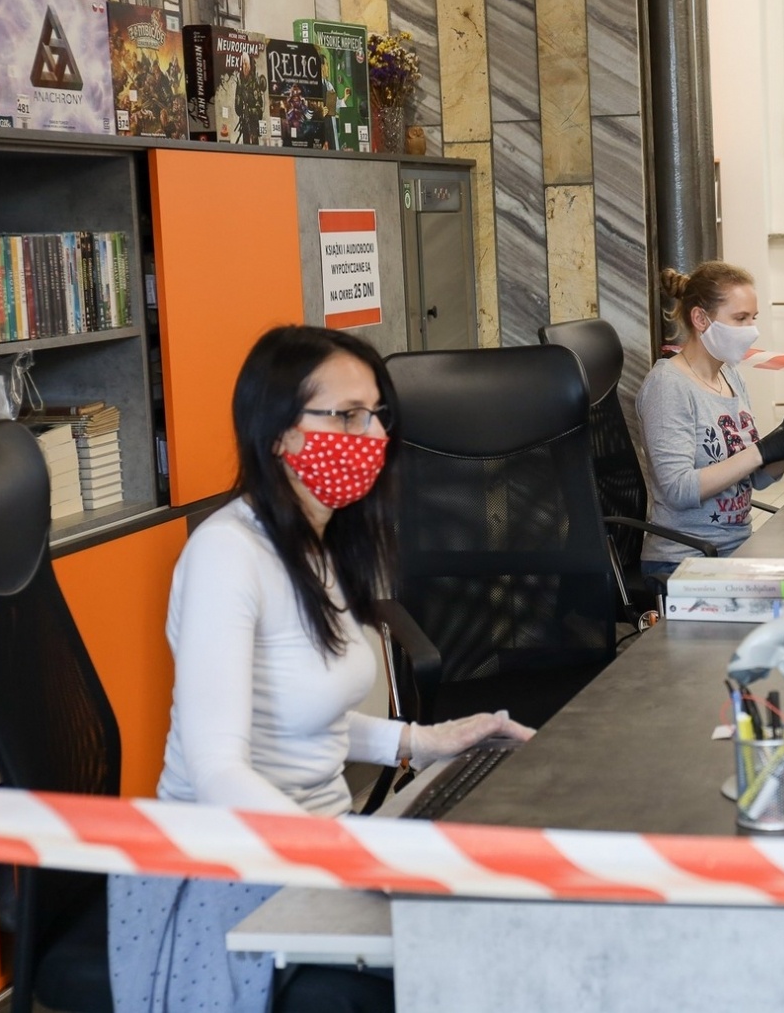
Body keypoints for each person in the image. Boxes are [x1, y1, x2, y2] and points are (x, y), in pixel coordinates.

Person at [108, 325, 533, 1013]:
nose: (369, 434)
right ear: (277, 432)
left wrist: (422, 741)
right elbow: (219, 769)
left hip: (317, 843)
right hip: (231, 866)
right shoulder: (226, 556)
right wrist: (344, 855)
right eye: (345, 416)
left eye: (376, 415)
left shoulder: (322, 541)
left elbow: (300, 713)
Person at [635, 262, 784, 576]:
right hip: (684, 561)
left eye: (753, 318)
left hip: (736, 549)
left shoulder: (730, 377)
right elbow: (679, 490)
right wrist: (760, 451)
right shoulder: (667, 386)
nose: (752, 330)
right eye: (740, 318)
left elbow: (758, 479)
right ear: (700, 319)